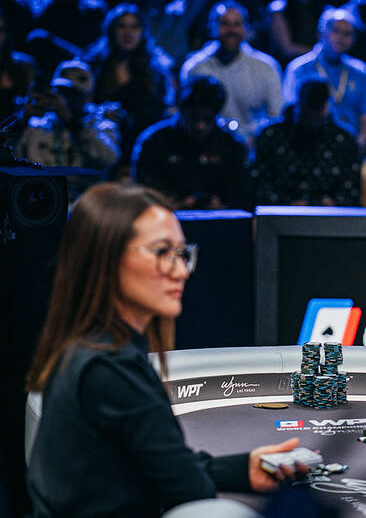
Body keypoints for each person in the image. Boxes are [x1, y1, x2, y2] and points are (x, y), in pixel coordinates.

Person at [25, 182, 307, 516]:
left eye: (183, 253)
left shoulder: (83, 347)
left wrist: (240, 468)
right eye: (162, 253)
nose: (181, 271)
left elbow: (139, 467)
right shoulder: (111, 369)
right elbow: (191, 492)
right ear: (108, 258)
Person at [131, 75, 248, 210]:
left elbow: (243, 194)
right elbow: (144, 194)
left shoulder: (231, 145)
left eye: (207, 119)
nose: (200, 126)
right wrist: (174, 206)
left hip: (221, 223)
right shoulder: (154, 142)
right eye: (194, 118)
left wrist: (223, 207)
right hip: (166, 220)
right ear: (182, 111)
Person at [82, 3, 175, 169]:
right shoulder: (95, 65)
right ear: (111, 30)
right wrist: (100, 112)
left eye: (135, 27)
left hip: (142, 143)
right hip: (102, 142)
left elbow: (164, 110)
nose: (128, 32)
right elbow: (82, 105)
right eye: (121, 26)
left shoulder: (156, 69)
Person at [180, 0, 283, 143]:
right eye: (224, 24)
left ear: (246, 29)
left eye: (237, 24)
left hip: (256, 145)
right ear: (211, 27)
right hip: (208, 144)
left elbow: (277, 115)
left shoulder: (266, 67)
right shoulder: (195, 68)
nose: (231, 30)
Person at [16, 60, 120, 200]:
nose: (64, 99)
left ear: (88, 97)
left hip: (85, 203)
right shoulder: (36, 125)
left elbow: (108, 159)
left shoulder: (101, 126)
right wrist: (21, 122)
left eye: (73, 94)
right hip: (42, 201)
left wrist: (73, 124)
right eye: (61, 92)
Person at [252, 77, 360, 207]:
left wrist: (327, 204)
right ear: (299, 104)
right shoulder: (272, 136)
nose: (313, 119)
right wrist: (287, 204)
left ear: (326, 106)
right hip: (280, 216)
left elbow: (350, 187)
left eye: (318, 109)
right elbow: (260, 182)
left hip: (330, 218)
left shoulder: (343, 139)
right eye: (309, 109)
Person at [283, 7, 366, 152]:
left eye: (347, 34)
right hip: (310, 145)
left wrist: (359, 145)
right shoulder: (299, 69)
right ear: (320, 33)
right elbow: (290, 111)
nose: (341, 38)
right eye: (335, 31)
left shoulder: (360, 71)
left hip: (349, 144)